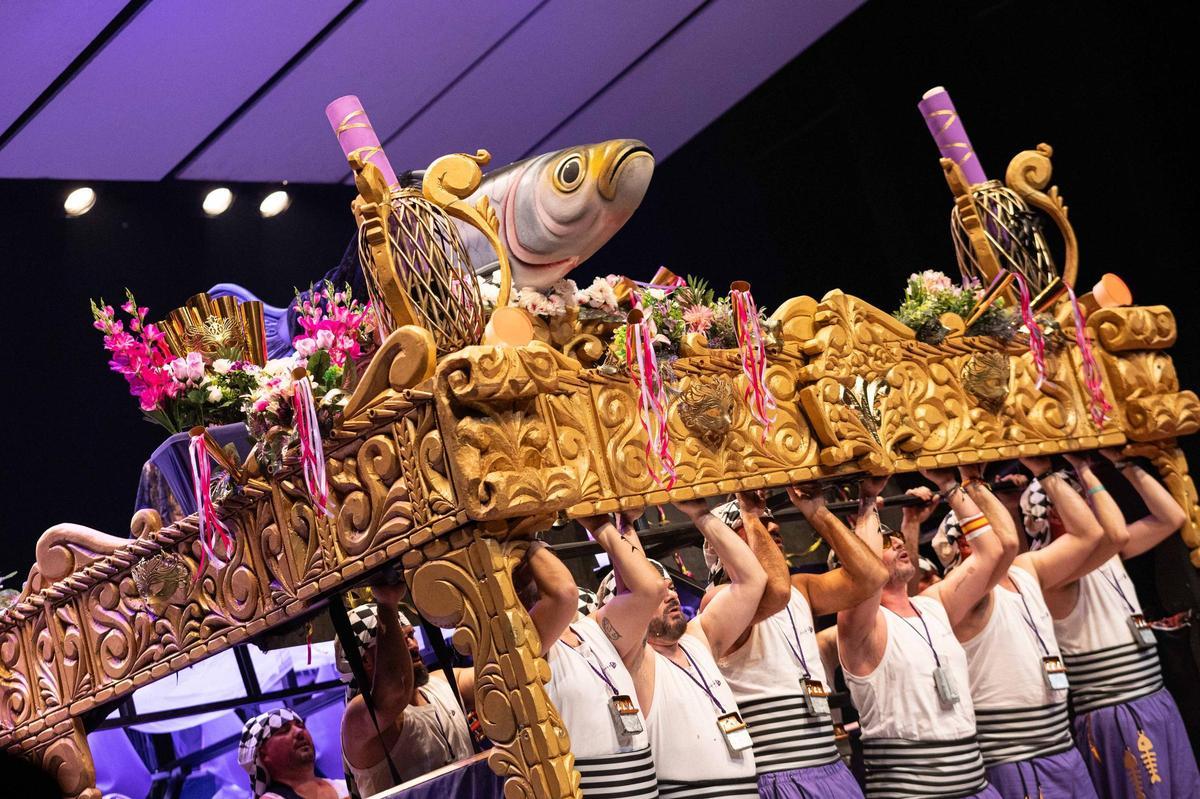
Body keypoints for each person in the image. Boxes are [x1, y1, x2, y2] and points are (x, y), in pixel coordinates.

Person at [922, 459, 1104, 799]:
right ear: (966, 543)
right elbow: (1002, 544)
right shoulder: (964, 596)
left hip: (1062, 747)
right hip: (1013, 760)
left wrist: (1044, 475)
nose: (1002, 530)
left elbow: (1090, 533)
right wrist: (959, 487)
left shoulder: (1024, 571)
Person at [1024, 450, 1200, 797]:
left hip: (1153, 695)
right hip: (1115, 710)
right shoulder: (1051, 576)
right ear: (1054, 514)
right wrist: (1078, 470)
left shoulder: (1109, 554)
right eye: (1079, 498)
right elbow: (1114, 535)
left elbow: (1171, 516)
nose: (1091, 503)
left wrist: (1125, 465)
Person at [839, 469, 1008, 799]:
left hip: (977, 786)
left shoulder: (934, 606)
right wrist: (868, 502)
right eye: (887, 542)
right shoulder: (862, 626)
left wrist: (950, 487)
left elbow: (991, 551)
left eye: (898, 538)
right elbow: (864, 573)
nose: (899, 542)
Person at [708, 488, 885, 798]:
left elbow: (871, 577)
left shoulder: (800, 589)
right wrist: (750, 514)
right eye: (762, 530)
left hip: (829, 764)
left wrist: (816, 510)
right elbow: (775, 592)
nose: (775, 536)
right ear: (725, 545)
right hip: (777, 776)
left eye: (776, 530)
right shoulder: (719, 599)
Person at [623, 499, 769, 799]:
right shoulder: (637, 660)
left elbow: (754, 580)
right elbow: (637, 595)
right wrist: (623, 527)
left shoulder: (697, 639)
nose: (670, 594)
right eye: (657, 591)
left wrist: (701, 514)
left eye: (671, 586)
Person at [530, 512, 665, 799]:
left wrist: (605, 525)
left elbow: (650, 588)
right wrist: (526, 541)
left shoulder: (592, 630)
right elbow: (564, 593)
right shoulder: (530, 643)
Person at [336, 583, 474, 795]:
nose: (412, 645)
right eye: (401, 640)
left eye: (411, 635)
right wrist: (387, 603)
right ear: (365, 660)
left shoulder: (443, 683)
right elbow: (396, 686)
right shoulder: (357, 718)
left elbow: (504, 669)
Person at [238, 709, 349, 799]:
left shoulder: (346, 786)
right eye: (284, 730)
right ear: (263, 754)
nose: (299, 731)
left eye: (301, 726)